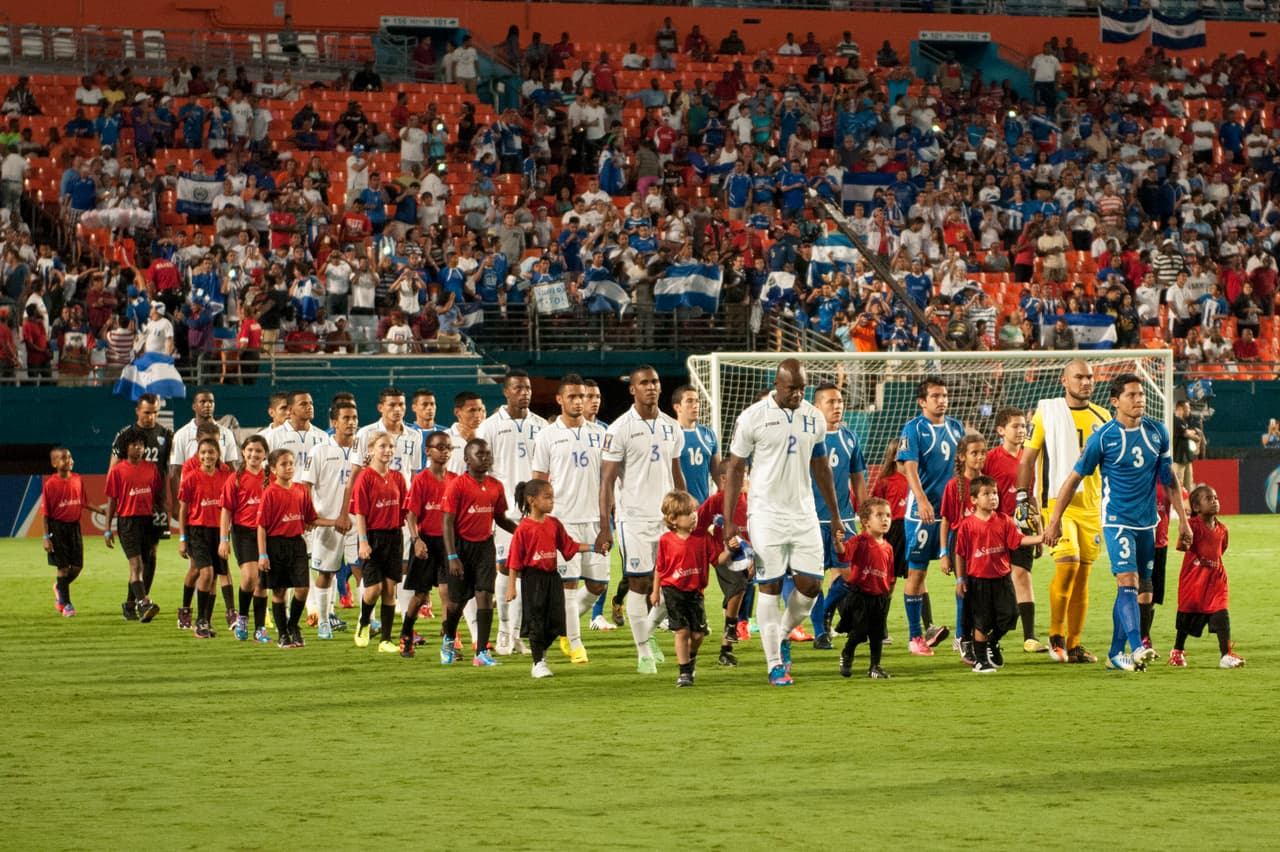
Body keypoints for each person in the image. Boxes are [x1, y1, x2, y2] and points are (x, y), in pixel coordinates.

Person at [1044, 373, 1192, 672]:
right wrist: (1055, 519)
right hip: (1117, 520)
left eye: (1141, 394)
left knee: (1139, 588)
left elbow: (1169, 479)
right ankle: (1137, 647)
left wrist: (1184, 522)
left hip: (1147, 523)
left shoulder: (1158, 432)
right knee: (1128, 582)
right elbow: (1073, 480)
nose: (1139, 400)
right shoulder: (1103, 437)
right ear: (1115, 401)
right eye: (1131, 395)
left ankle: (1115, 653)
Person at [721, 358, 845, 686]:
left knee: (811, 586)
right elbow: (735, 468)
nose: (798, 394)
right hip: (765, 514)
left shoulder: (813, 416)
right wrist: (730, 519)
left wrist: (834, 515)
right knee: (770, 586)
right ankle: (775, 664)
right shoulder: (752, 417)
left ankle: (783, 633)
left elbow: (821, 466)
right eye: (792, 388)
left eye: (802, 388)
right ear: (777, 384)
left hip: (804, 513)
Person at [1017, 359, 1110, 664]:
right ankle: (1056, 637)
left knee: (1082, 577)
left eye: (1090, 377)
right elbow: (1027, 458)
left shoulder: (1104, 416)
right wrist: (1022, 498)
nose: (1086, 382)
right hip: (1056, 504)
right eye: (1079, 377)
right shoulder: (1048, 413)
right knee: (1068, 564)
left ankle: (1075, 644)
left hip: (1091, 507)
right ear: (1064, 381)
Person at [596, 365, 686, 674]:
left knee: (672, 584)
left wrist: (685, 510)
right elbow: (607, 481)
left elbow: (676, 471)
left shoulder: (672, 427)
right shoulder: (619, 429)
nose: (651, 387)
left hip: (667, 520)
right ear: (632, 389)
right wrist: (604, 525)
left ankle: (646, 632)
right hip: (633, 519)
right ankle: (643, 651)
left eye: (655, 381)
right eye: (644, 382)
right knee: (640, 583)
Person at [531, 374, 611, 661]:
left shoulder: (600, 434)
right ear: (560, 399)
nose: (579, 401)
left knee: (597, 585)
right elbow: (538, 479)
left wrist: (607, 519)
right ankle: (576, 644)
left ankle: (564, 627)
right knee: (569, 584)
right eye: (573, 397)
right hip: (563, 520)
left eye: (583, 396)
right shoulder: (547, 435)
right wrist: (538, 519)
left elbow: (608, 479)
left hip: (595, 521)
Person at [476, 369, 547, 657]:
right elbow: (480, 470)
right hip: (504, 513)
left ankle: (517, 633)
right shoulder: (489, 427)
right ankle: (504, 632)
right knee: (507, 568)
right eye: (518, 388)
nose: (524, 393)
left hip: (536, 512)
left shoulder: (542, 426)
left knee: (530, 573)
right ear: (506, 392)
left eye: (527, 388)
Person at [896, 377, 963, 656]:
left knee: (964, 573)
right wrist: (922, 501)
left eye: (944, 395)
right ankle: (915, 637)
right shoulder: (913, 428)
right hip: (921, 515)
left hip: (952, 513)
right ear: (922, 401)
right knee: (917, 572)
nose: (942, 400)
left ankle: (962, 636)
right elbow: (908, 468)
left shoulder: (957, 427)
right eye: (935, 396)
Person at [441, 438, 519, 667]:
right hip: (460, 547)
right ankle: (448, 639)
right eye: (480, 455)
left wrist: (522, 532)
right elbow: (447, 523)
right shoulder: (457, 485)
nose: (485, 458)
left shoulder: (496, 486)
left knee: (485, 595)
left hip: (485, 546)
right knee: (457, 603)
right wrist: (452, 557)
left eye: (487, 454)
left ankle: (481, 652)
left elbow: (500, 518)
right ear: (467, 459)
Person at [955, 476, 1045, 673]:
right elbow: (960, 554)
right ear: (974, 500)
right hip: (978, 581)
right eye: (986, 494)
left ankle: (992, 641)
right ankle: (981, 661)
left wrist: (1041, 538)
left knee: (1011, 615)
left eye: (994, 493)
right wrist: (960, 579)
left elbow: (1018, 540)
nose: (992, 497)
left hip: (1002, 579)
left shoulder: (1004, 520)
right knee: (981, 621)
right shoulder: (967, 525)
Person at [505, 479, 591, 678]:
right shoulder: (523, 529)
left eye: (552, 497)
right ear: (532, 501)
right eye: (547, 497)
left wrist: (594, 547)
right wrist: (512, 587)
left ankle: (542, 655)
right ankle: (538, 663)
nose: (552, 501)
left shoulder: (554, 524)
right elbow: (514, 560)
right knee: (536, 620)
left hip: (552, 578)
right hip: (533, 579)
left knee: (556, 622)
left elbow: (569, 546)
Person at [807, 383, 868, 650]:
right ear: (817, 406)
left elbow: (858, 477)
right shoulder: (808, 438)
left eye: (840, 401)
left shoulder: (850, 437)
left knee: (852, 574)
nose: (837, 406)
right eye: (831, 402)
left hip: (843, 520)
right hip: (811, 520)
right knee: (813, 580)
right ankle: (820, 631)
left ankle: (827, 612)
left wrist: (865, 513)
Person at [983, 407, 1047, 653]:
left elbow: (1033, 495)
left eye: (1023, 426)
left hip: (1022, 528)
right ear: (1001, 430)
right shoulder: (991, 458)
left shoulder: (1030, 457)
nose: (1021, 430)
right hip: (996, 527)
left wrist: (1038, 530)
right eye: (1015, 426)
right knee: (994, 582)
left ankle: (1029, 637)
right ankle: (983, 634)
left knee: (1022, 575)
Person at [653, 490, 727, 687]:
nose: (694, 515)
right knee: (682, 632)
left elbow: (717, 559)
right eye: (688, 513)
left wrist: (730, 549)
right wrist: (655, 591)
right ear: (673, 519)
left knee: (697, 635)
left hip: (695, 592)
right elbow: (660, 567)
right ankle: (684, 672)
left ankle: (691, 656)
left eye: (694, 511)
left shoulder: (703, 538)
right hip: (672, 591)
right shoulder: (666, 540)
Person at [298, 398, 358, 640]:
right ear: (334, 422)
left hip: (357, 522)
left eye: (354, 418)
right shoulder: (320, 451)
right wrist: (309, 517)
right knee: (326, 573)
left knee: (363, 570)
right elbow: (306, 487)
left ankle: (368, 621)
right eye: (346, 418)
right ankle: (324, 621)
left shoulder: (363, 450)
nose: (351, 423)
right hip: (327, 523)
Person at [109, 393, 173, 617]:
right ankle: (141, 602)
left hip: (156, 505)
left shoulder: (166, 435)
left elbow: (170, 469)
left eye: (155, 413)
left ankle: (134, 603)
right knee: (136, 560)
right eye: (146, 412)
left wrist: (168, 504)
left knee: (151, 555)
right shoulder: (125, 435)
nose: (150, 417)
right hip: (133, 505)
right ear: (137, 411)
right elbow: (114, 469)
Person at [1169, 485, 1244, 669]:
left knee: (1221, 614)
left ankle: (1226, 655)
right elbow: (1183, 547)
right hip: (1194, 583)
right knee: (1186, 619)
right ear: (1196, 507)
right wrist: (1185, 542)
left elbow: (1220, 551)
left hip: (1216, 581)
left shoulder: (1222, 529)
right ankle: (1177, 650)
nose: (1214, 501)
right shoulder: (1191, 526)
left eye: (1216, 498)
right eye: (1209, 499)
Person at [349, 431, 409, 653]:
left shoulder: (398, 477)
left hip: (394, 537)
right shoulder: (365, 477)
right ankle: (364, 622)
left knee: (390, 589)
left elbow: (406, 509)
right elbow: (360, 512)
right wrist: (363, 541)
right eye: (382, 446)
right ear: (371, 449)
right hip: (372, 537)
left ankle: (385, 640)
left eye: (391, 446)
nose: (387, 450)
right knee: (374, 588)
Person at [403, 430, 456, 658]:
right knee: (420, 596)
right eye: (440, 448)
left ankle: (449, 641)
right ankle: (406, 635)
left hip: (447, 543)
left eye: (449, 448)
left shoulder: (455, 480)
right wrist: (416, 540)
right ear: (428, 451)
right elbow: (411, 515)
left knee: (447, 592)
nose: (445, 452)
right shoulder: (420, 480)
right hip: (425, 543)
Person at [257, 448, 317, 649]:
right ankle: (283, 634)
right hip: (275, 545)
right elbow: (262, 526)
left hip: (297, 544)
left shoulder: (301, 489)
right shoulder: (270, 492)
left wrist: (336, 522)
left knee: (303, 588)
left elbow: (311, 518)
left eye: (291, 463)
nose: (289, 467)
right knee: (279, 591)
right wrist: (263, 554)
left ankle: (293, 625)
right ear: (273, 469)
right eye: (283, 464)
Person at [103, 428, 162, 623]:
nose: (138, 448)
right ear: (125, 447)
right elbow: (111, 500)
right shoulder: (117, 471)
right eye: (134, 444)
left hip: (147, 522)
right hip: (127, 522)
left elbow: (156, 494)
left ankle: (129, 606)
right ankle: (144, 603)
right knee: (136, 565)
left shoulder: (152, 468)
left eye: (141, 444)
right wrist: (107, 529)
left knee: (141, 567)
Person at [938, 431, 987, 665]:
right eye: (974, 453)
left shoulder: (987, 483)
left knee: (983, 592)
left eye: (983, 452)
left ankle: (981, 638)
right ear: (961, 457)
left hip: (983, 542)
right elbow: (946, 521)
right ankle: (961, 637)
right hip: (960, 543)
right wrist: (943, 554)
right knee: (964, 590)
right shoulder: (953, 486)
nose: (979, 457)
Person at [834, 497, 896, 680]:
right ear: (866, 522)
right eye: (879, 515)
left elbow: (890, 574)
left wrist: (888, 594)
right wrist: (838, 543)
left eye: (888, 515)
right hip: (860, 595)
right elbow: (844, 554)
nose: (885, 519)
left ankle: (875, 667)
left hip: (880, 597)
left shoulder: (888, 548)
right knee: (860, 631)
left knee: (877, 634)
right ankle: (847, 652)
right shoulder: (859, 541)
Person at [177, 436, 232, 639]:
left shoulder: (225, 476)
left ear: (218, 454)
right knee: (205, 573)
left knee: (213, 576)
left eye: (211, 452)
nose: (207, 456)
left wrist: (226, 536)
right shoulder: (191, 478)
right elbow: (183, 510)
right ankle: (198, 619)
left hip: (218, 532)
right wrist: (182, 538)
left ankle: (206, 621)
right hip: (197, 531)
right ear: (198, 455)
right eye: (203, 452)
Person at [219, 434, 272, 643]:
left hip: (267, 534)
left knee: (262, 583)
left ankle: (260, 628)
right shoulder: (235, 479)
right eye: (250, 450)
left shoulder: (271, 478)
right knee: (250, 577)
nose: (253, 454)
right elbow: (226, 511)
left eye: (258, 451)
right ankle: (242, 617)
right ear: (243, 452)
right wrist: (223, 539)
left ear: (265, 454)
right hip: (243, 533)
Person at [697, 469, 750, 666]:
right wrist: (716, 548)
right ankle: (730, 629)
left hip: (750, 556)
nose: (743, 478)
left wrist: (752, 554)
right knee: (738, 587)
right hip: (725, 556)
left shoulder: (752, 499)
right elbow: (697, 526)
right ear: (725, 479)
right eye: (739, 474)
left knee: (746, 593)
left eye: (745, 473)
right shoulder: (716, 501)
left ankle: (726, 650)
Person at [42, 446, 87, 618]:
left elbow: (83, 502)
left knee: (77, 567)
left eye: (69, 457)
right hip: (57, 528)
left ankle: (59, 587)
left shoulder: (77, 479)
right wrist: (46, 537)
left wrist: (102, 511)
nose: (68, 460)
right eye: (63, 458)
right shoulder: (50, 484)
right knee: (62, 567)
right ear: (54, 463)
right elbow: (45, 514)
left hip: (74, 527)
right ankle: (66, 604)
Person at [672, 384, 720, 505]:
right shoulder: (669, 435)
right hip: (678, 506)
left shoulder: (708, 434)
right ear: (677, 407)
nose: (695, 405)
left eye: (697, 401)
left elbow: (717, 473)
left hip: (703, 506)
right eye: (689, 401)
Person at [1171, 400, 1203, 491]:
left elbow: (1190, 433)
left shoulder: (1184, 422)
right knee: (1178, 486)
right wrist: (1193, 434)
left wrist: (1192, 433)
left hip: (1187, 459)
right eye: (1187, 408)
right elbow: (1186, 433)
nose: (1189, 410)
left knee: (1189, 487)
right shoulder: (1174, 420)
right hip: (1177, 459)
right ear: (1180, 408)